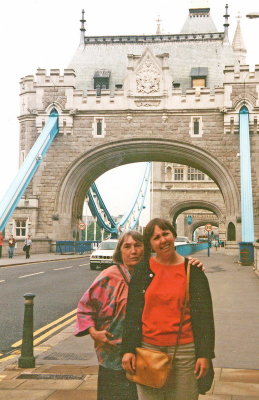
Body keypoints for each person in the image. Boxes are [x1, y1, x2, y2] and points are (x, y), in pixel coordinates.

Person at [74, 230, 204, 400]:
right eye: (127, 246)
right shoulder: (108, 276)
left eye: (138, 245)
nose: (133, 251)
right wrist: (94, 333)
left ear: (146, 248)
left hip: (147, 353)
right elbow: (85, 307)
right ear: (120, 251)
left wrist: (193, 267)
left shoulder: (156, 272)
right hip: (112, 354)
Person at [122, 218, 215, 400]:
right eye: (156, 237)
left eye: (165, 234)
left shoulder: (193, 271)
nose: (163, 240)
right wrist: (128, 350)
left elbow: (205, 317)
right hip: (148, 349)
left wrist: (205, 354)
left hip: (185, 351)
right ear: (150, 244)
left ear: (173, 235)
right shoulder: (142, 271)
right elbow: (132, 314)